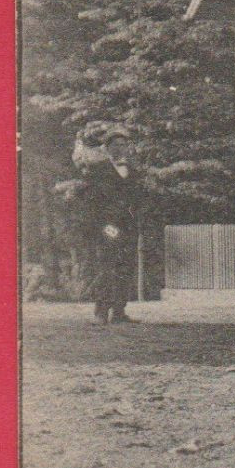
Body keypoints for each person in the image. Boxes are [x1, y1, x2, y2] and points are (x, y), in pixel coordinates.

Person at [81, 127, 142, 324]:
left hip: (129, 227)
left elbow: (139, 199)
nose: (121, 149)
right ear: (107, 148)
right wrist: (104, 226)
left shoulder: (133, 170)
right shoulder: (98, 170)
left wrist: (136, 221)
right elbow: (92, 202)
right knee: (107, 266)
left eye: (124, 145)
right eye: (116, 145)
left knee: (126, 267)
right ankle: (101, 311)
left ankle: (119, 311)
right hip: (109, 227)